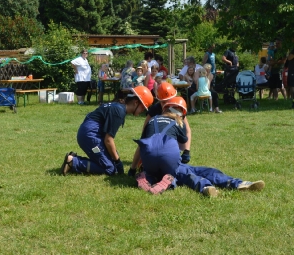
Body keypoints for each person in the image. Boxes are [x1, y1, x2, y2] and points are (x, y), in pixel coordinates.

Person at [135, 99, 265, 196]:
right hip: (168, 158)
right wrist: (185, 153)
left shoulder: (152, 120)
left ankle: (147, 177)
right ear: (181, 114)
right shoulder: (177, 122)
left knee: (161, 171)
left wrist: (132, 168)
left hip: (148, 159)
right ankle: (224, 185)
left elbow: (142, 143)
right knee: (190, 172)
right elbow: (181, 144)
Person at [61, 86, 154, 176]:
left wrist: (115, 158)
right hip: (90, 136)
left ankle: (74, 158)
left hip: (89, 133)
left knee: (111, 162)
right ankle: (73, 162)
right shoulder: (119, 112)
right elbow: (108, 140)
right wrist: (118, 161)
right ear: (135, 102)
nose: (142, 111)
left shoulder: (118, 107)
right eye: (143, 107)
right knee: (110, 169)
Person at [128, 82, 192, 175]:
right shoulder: (154, 110)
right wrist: (133, 167)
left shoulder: (177, 109)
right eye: (163, 102)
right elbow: (144, 139)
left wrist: (186, 151)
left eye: (168, 101)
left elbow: (187, 131)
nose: (166, 104)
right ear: (159, 100)